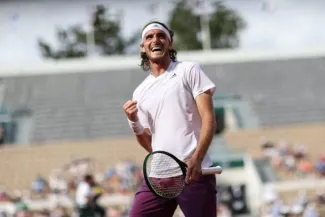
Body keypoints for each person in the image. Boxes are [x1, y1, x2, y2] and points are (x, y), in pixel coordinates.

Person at [123, 21, 217, 217]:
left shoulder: (189, 70)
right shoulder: (139, 92)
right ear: (143, 48)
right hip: (157, 178)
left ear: (170, 43)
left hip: (193, 174)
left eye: (161, 36)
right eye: (149, 37)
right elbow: (150, 144)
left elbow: (209, 118)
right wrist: (134, 122)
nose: (155, 40)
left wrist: (197, 158)